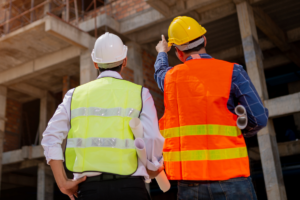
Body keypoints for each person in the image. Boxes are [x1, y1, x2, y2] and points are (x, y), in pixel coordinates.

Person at [154, 16, 269, 200]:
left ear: (178, 52)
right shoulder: (233, 72)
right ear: (205, 40)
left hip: (190, 183)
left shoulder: (170, 79)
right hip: (232, 177)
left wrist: (162, 52)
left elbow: (160, 72)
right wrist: (242, 130)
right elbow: (259, 118)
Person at [42, 32, 165, 200]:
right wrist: (153, 165)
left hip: (89, 190)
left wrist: (63, 183)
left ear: (95, 63)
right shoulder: (140, 94)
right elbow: (152, 138)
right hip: (131, 189)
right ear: (125, 61)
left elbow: (50, 137)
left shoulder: (75, 95)